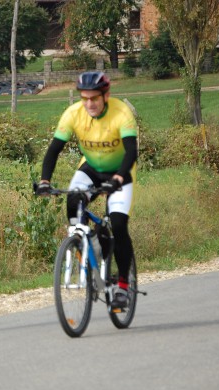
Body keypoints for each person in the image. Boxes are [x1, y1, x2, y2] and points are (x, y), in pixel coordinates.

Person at [35, 71, 138, 310]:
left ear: (106, 95)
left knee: (119, 224)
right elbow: (54, 150)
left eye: (94, 98)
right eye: (84, 98)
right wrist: (44, 181)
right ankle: (92, 242)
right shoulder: (73, 114)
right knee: (72, 201)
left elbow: (132, 151)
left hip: (120, 170)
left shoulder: (121, 113)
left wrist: (118, 177)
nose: (89, 104)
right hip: (91, 167)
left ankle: (123, 286)